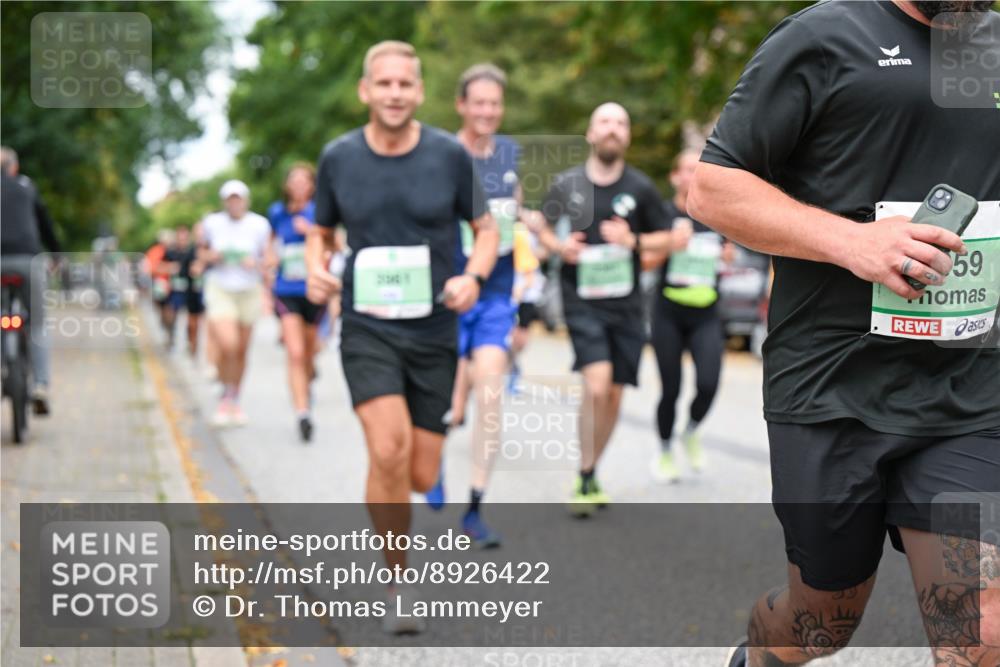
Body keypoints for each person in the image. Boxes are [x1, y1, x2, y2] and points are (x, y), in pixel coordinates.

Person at [683, 2, 1000, 666]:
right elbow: (712, 189)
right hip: (833, 385)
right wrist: (854, 243)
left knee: (982, 627)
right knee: (822, 618)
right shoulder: (827, 35)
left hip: (966, 389)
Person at [305, 41, 497, 633]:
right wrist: (316, 266)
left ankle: (414, 476)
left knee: (418, 472)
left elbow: (486, 230)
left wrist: (473, 275)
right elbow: (319, 231)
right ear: (366, 90)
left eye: (404, 85)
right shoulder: (338, 157)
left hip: (434, 329)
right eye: (383, 83)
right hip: (366, 327)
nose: (394, 93)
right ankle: (397, 581)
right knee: (385, 450)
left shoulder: (447, 155)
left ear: (418, 91)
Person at [536, 103, 674, 516]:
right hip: (583, 302)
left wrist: (632, 241)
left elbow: (669, 238)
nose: (612, 129)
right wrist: (560, 246)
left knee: (613, 394)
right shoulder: (566, 185)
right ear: (591, 135)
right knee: (596, 385)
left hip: (627, 306)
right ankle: (584, 472)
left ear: (627, 136)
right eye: (605, 122)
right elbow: (541, 227)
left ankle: (591, 471)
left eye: (621, 123)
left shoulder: (642, 189)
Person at [424, 63, 533, 548]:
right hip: (446, 295)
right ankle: (431, 467)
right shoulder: (438, 153)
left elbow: (515, 210)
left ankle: (473, 508)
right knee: (446, 401)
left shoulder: (510, 152)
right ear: (461, 105)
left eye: (495, 103)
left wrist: (533, 232)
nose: (487, 110)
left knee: (489, 398)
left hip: (493, 296)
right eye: (479, 102)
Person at [644, 149, 734, 482]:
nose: (692, 176)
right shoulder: (662, 215)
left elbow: (727, 255)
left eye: (698, 170)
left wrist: (727, 255)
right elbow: (644, 262)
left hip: (706, 313)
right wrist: (669, 245)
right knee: (671, 389)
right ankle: (665, 450)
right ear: (674, 176)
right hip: (668, 311)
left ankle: (691, 430)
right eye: (685, 169)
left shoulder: (716, 215)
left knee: (708, 383)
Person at [198, 180, 271, 427]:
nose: (234, 203)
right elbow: (201, 254)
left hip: (249, 289)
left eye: (238, 198)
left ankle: (233, 399)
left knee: (241, 350)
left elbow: (270, 259)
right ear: (224, 202)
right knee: (229, 343)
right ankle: (223, 384)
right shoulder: (212, 223)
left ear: (246, 200)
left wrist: (258, 264)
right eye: (230, 199)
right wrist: (212, 256)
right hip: (220, 287)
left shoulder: (259, 224)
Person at [267, 163, 325, 443]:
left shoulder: (320, 211)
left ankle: (309, 376)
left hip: (314, 291)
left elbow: (335, 244)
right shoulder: (277, 212)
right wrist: (269, 261)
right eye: (295, 181)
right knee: (295, 352)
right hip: (286, 289)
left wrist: (313, 231)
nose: (300, 186)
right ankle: (303, 413)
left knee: (310, 352)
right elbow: (271, 245)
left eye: (305, 181)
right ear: (288, 186)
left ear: (312, 186)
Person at [0, 146, 60, 415]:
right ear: (14, 167)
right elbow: (44, 222)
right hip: (28, 260)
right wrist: (57, 254)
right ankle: (40, 385)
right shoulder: (27, 187)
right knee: (36, 323)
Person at [161, 225, 194, 351]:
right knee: (170, 314)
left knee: (191, 319)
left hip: (190, 288)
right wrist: (169, 267)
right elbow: (159, 266)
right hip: (175, 289)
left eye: (185, 238)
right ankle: (171, 336)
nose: (182, 241)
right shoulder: (170, 252)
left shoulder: (193, 251)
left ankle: (190, 342)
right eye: (180, 238)